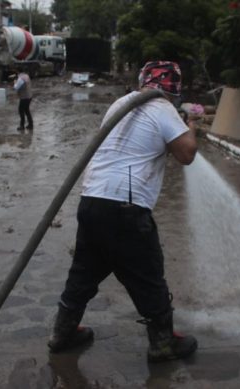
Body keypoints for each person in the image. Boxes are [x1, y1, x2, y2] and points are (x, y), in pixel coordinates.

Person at [48, 61, 198, 362]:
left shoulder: (120, 103)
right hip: (125, 207)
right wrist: (192, 126)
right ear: (175, 89)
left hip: (92, 200)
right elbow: (186, 154)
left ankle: (62, 333)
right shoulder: (163, 108)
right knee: (148, 272)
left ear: (143, 80)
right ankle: (163, 342)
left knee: (84, 272)